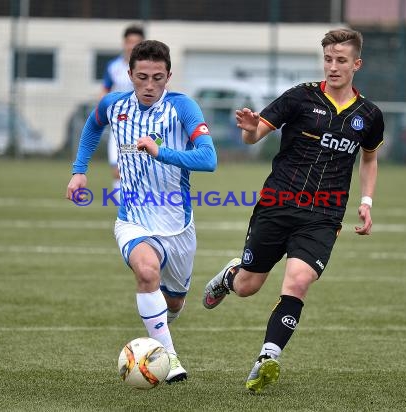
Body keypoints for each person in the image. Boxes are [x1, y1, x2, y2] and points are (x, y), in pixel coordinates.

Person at [202, 28, 384, 393]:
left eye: (341, 61)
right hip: (277, 205)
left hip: (324, 215)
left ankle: (267, 357)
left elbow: (369, 159)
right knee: (249, 285)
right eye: (328, 59)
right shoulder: (300, 97)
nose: (333, 67)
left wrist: (365, 203)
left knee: (298, 281)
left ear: (356, 64)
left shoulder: (369, 115)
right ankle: (229, 277)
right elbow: (254, 134)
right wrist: (251, 130)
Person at [66, 39, 217, 383]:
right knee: (146, 271)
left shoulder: (183, 108)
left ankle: (161, 324)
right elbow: (92, 126)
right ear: (130, 74)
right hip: (132, 219)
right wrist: (79, 169)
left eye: (158, 78)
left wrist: (160, 151)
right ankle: (171, 359)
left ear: (169, 76)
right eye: (143, 77)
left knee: (175, 303)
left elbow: (209, 159)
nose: (150, 86)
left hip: (177, 225)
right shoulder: (114, 104)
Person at [101, 25, 145, 201]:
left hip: (143, 127)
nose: (132, 46)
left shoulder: (148, 67)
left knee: (141, 173)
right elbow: (104, 91)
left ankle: (142, 210)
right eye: (129, 42)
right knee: (117, 171)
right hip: (119, 127)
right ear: (124, 43)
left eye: (137, 42)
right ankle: (124, 213)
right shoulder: (114, 67)